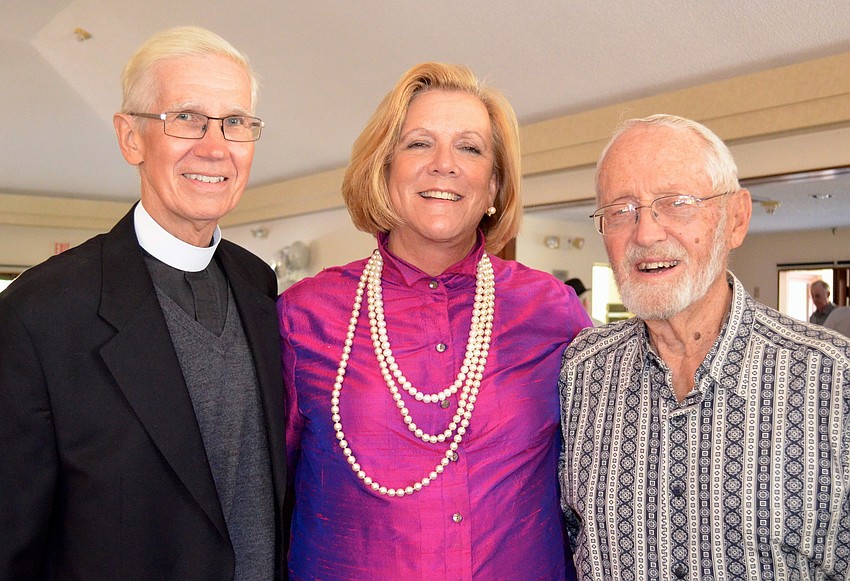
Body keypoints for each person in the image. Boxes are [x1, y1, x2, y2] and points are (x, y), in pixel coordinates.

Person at [278, 62, 591, 580]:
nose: (444, 165)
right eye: (419, 143)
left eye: (469, 148)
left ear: (493, 186)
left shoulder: (552, 311)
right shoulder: (304, 315)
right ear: (383, 169)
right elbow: (261, 493)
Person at [0, 27, 287, 580]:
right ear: (130, 138)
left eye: (236, 122)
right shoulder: (41, 313)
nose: (215, 146)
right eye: (186, 118)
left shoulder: (260, 287)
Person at [559, 114, 850, 579]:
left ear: (736, 219)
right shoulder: (582, 373)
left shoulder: (833, 380)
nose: (646, 233)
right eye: (621, 210)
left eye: (677, 203)